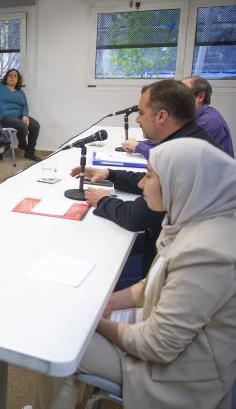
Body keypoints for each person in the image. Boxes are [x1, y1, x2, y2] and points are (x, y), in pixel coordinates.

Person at [32, 138, 236, 409]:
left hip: (178, 375)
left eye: (149, 176)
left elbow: (155, 345)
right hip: (168, 335)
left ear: (179, 185)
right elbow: (159, 285)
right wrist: (110, 302)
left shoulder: (206, 254)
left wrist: (94, 319)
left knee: (60, 342)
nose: (141, 184)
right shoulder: (196, 218)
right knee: (71, 322)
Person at [73, 79, 216, 276]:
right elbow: (151, 182)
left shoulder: (179, 157)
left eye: (141, 113)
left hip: (175, 268)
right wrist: (111, 174)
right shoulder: (191, 140)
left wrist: (103, 200)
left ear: (161, 116)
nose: (137, 120)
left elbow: (135, 217)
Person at [125, 76, 234, 158]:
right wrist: (141, 143)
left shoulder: (206, 123)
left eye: (184, 93)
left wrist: (139, 147)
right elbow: (170, 143)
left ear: (200, 96)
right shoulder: (193, 118)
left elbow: (172, 156)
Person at [0, 69, 42, 161]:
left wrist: (25, 115)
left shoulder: (20, 92)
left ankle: (30, 153)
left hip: (18, 117)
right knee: (22, 126)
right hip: (3, 118)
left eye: (15, 76)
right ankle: (23, 144)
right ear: (6, 77)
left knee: (35, 126)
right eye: (10, 75)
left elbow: (25, 106)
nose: (12, 77)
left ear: (18, 79)